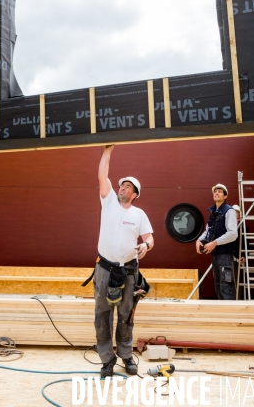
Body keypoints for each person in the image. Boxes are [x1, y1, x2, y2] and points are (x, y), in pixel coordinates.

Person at [94, 144, 154, 378]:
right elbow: (102, 175)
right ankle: (107, 360)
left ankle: (127, 355)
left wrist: (146, 245)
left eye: (127, 186)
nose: (121, 187)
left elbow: (150, 237)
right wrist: (107, 153)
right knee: (102, 315)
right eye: (121, 184)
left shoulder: (139, 214)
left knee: (126, 313)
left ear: (135, 193)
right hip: (105, 269)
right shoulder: (108, 202)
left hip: (129, 271)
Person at [196, 183, 238, 300]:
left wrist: (214, 243)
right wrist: (199, 240)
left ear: (225, 196)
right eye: (215, 191)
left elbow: (233, 234)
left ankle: (230, 315)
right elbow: (208, 230)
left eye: (220, 191)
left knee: (226, 288)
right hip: (216, 254)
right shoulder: (213, 212)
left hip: (225, 254)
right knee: (218, 286)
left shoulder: (229, 211)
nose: (217, 193)